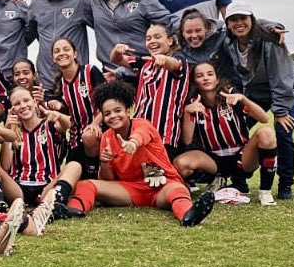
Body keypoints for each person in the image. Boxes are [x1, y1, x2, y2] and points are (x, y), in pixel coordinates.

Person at [64, 81, 215, 226]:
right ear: (103, 117)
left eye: (118, 111)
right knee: (85, 185)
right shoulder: (107, 137)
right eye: (107, 113)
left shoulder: (142, 124)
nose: (113, 116)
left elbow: (141, 135)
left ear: (127, 111)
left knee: (177, 190)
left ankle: (188, 215)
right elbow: (108, 179)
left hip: (161, 186)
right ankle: (71, 210)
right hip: (132, 189)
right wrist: (105, 162)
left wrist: (132, 143)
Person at [223, 1, 294, 200]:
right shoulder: (228, 41)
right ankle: (239, 177)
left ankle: (285, 183)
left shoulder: (270, 41)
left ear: (252, 20)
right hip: (256, 93)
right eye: (233, 19)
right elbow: (208, 26)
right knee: (234, 127)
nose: (239, 23)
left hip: (286, 91)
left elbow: (280, 76)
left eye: (243, 18)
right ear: (228, 23)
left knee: (283, 132)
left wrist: (281, 111)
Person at [173, 62, 280, 205]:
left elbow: (264, 118)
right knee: (180, 163)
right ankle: (215, 179)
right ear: (194, 82)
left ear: (217, 79)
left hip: (242, 157)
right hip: (213, 160)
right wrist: (187, 112)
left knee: (266, 133)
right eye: (200, 75)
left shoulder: (231, 97)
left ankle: (265, 192)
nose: (205, 78)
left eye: (210, 74)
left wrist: (243, 99)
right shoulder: (193, 103)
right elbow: (187, 140)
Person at [110, 24, 191, 160]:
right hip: (138, 130)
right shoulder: (145, 63)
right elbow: (116, 59)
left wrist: (164, 60)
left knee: (156, 176)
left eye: (157, 37)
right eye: (148, 38)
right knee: (136, 174)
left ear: (170, 41)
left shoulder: (179, 59)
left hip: (164, 133)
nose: (152, 41)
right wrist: (117, 51)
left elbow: (175, 65)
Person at [0, 86, 82, 212]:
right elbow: (5, 165)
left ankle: (56, 203)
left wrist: (58, 116)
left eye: (26, 100)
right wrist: (7, 129)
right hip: (19, 190)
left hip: (46, 187)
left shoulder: (48, 124)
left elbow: (69, 124)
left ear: (34, 102)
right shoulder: (14, 131)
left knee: (75, 166)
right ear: (12, 110)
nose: (23, 105)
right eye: (17, 104)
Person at [89, 0, 173, 72]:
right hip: (109, 71)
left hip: (140, 68)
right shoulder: (92, 4)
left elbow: (169, 23)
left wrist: (171, 53)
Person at [25, 0, 93, 89]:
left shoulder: (80, 3)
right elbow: (26, 37)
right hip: (46, 79)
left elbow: (103, 28)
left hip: (76, 78)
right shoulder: (36, 4)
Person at [48, 38, 105, 180]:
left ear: (75, 54)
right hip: (76, 138)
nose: (61, 53)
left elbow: (107, 102)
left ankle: (94, 177)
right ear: (53, 59)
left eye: (66, 49)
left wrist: (95, 124)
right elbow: (66, 120)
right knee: (70, 177)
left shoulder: (90, 71)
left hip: (100, 130)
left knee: (89, 135)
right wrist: (58, 108)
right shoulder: (59, 85)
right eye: (57, 51)